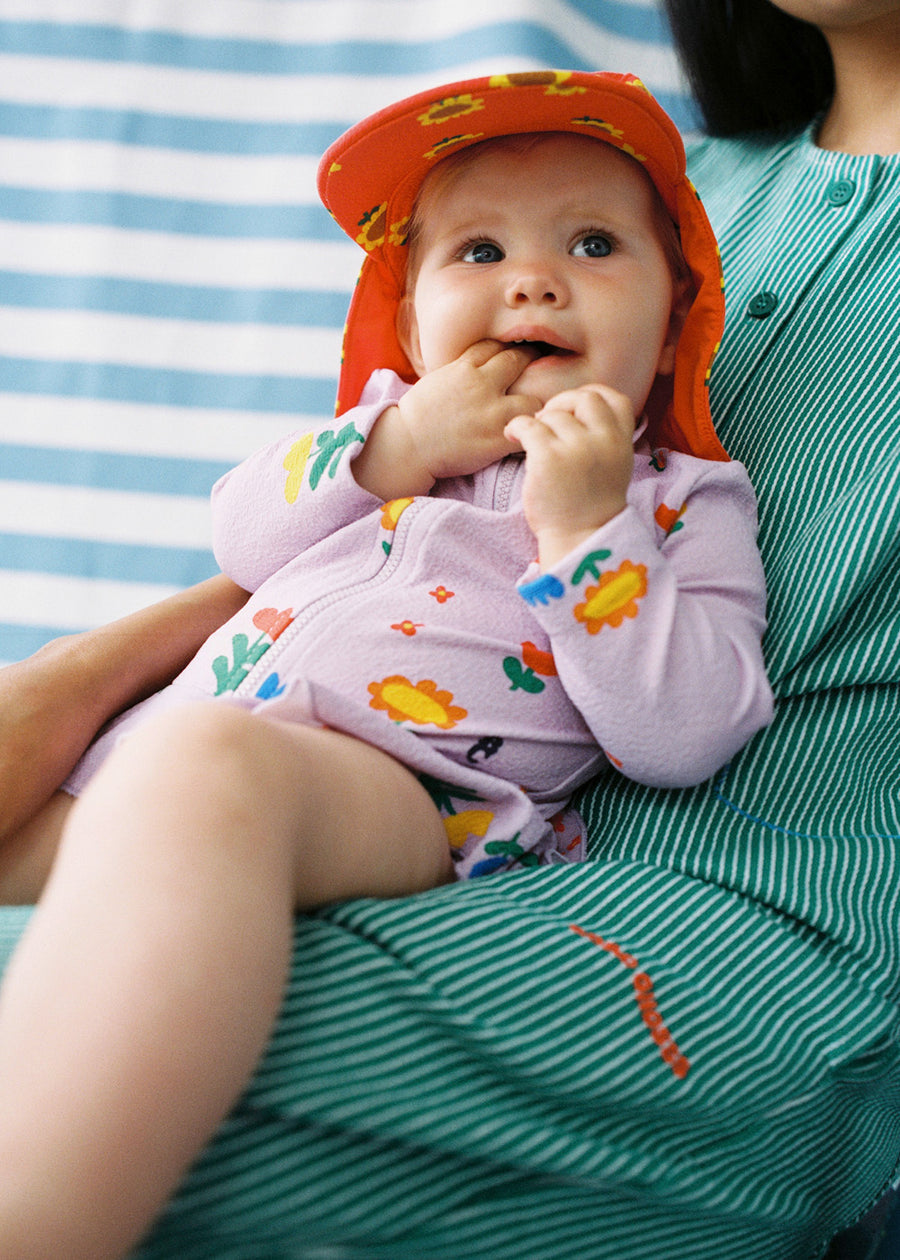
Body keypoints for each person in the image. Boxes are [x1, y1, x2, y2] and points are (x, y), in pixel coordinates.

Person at [0, 2, 896, 1254]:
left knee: (206, 777)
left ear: (681, 320)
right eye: (476, 252)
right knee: (119, 814)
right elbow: (239, 538)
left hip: (410, 795)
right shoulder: (383, 441)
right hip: (169, 760)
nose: (532, 280)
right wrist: (390, 445)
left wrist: (589, 537)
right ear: (412, 326)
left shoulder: (679, 503)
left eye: (593, 246)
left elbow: (685, 730)